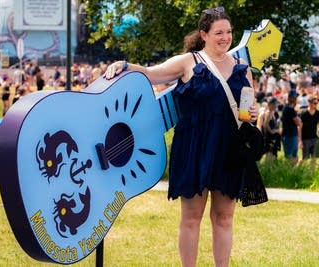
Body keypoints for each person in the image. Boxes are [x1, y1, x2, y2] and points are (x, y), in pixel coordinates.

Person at [104, 6, 264, 267]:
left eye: (228, 32)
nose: (225, 37)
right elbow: (152, 73)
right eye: (218, 32)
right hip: (194, 148)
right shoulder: (188, 62)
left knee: (224, 217)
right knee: (191, 218)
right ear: (204, 34)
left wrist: (254, 112)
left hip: (230, 150)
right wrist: (124, 65)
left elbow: (247, 109)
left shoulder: (242, 68)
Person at [298, 96, 319, 169]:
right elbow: (299, 128)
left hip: (315, 139)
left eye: (317, 103)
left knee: (314, 158)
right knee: (304, 158)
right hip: (305, 139)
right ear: (309, 103)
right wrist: (300, 141)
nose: (316, 105)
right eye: (314, 103)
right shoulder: (304, 113)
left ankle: (311, 175)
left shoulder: (318, 113)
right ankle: (295, 171)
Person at [281, 90, 302, 163]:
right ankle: (288, 173)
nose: (296, 99)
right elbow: (298, 122)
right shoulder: (289, 109)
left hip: (291, 135)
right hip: (289, 136)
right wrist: (298, 115)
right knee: (290, 157)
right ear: (290, 98)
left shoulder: (289, 108)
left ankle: (292, 173)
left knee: (294, 156)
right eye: (295, 97)